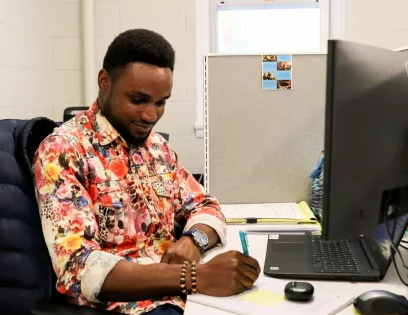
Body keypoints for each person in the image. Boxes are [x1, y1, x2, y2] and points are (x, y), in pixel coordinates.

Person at [33, 28, 260, 315]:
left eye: (161, 102)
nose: (151, 116)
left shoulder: (157, 148)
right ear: (105, 82)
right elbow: (80, 268)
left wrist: (193, 240)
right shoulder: (62, 151)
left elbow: (205, 205)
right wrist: (194, 277)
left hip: (189, 297)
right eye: (138, 100)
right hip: (131, 307)